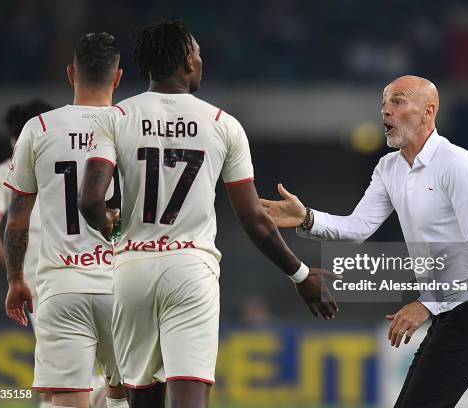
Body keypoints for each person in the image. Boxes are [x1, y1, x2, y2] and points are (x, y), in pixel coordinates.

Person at [78, 19, 338, 408]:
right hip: (190, 269)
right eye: (197, 53)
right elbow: (254, 221)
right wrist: (300, 275)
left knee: (141, 400)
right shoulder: (223, 125)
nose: (201, 60)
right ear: (186, 61)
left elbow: (89, 201)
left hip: (132, 270)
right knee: (190, 396)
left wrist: (111, 230)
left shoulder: (114, 118)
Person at [261, 75, 468, 408]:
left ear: (428, 112)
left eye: (397, 101)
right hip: (448, 307)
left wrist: (426, 304)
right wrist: (307, 216)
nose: (385, 112)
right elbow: (358, 226)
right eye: (383, 103)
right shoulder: (388, 168)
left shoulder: (459, 166)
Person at [3, 32, 128, 408]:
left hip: (60, 286)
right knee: (129, 391)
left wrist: (15, 279)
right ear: (118, 77)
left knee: (67, 399)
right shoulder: (132, 126)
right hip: (123, 284)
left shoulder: (38, 129)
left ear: (71, 74)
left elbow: (18, 221)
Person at [0, 99, 52, 407]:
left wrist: (16, 273)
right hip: (86, 269)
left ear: (12, 137)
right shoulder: (62, 168)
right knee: (105, 371)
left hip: (37, 284)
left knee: (58, 377)